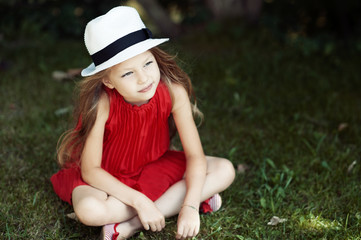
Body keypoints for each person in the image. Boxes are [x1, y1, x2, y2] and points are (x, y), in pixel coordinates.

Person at [51, 6, 235, 240]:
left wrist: (189, 207)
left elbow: (195, 157)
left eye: (148, 64)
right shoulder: (102, 104)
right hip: (105, 177)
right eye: (128, 73)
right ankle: (185, 197)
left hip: (152, 166)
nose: (144, 78)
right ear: (108, 80)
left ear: (155, 56)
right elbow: (91, 171)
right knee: (90, 210)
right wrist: (139, 200)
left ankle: (131, 225)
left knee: (224, 169)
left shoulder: (173, 92)